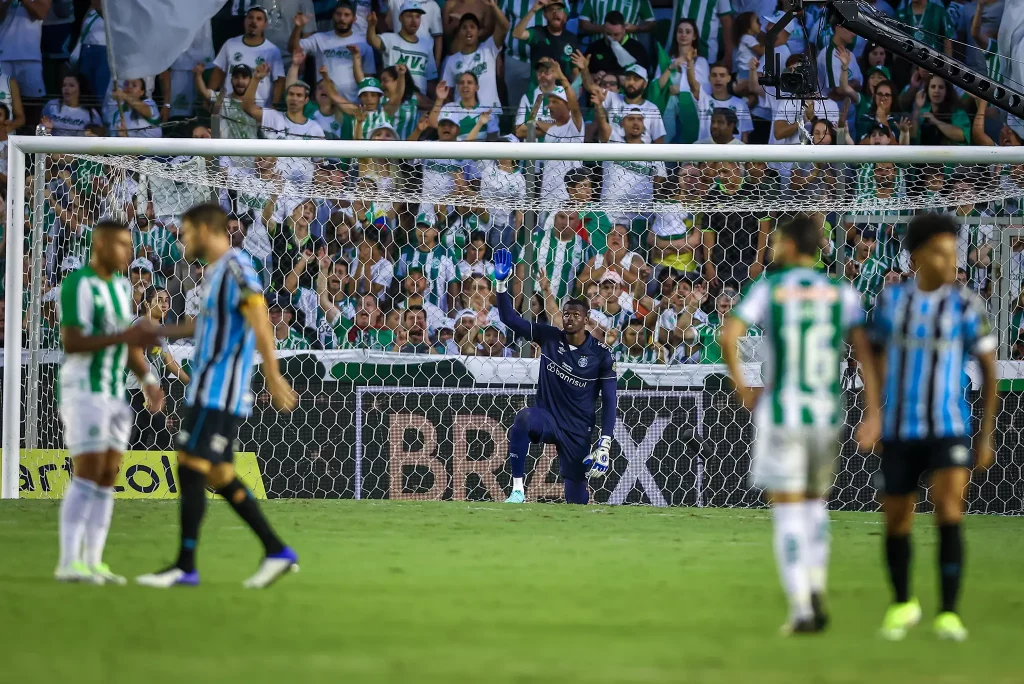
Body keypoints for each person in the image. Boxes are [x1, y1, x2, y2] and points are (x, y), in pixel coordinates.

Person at [720, 213, 881, 634]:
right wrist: (874, 412)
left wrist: (742, 388)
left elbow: (729, 332)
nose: (772, 245)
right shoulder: (840, 292)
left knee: (787, 509)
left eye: (776, 239)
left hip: (783, 412)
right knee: (815, 505)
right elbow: (864, 352)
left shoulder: (770, 288)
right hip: (827, 412)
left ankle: (801, 608)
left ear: (791, 245)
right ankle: (816, 585)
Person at [136, 203, 300, 590]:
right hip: (204, 387)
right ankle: (276, 551)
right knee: (218, 474)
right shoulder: (212, 274)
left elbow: (258, 315)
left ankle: (185, 565)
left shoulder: (235, 265)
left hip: (220, 390)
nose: (183, 239)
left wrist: (273, 375)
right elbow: (207, 325)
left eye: (188, 232)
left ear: (207, 230)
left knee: (190, 466)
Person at [868, 213, 997, 642]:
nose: (950, 261)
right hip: (902, 429)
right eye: (941, 253)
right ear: (919, 255)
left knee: (949, 509)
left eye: (953, 253)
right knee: (897, 518)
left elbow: (989, 370)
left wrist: (986, 435)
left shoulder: (966, 305)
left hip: (949, 426)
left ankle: (947, 612)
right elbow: (874, 355)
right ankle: (903, 603)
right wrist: (875, 411)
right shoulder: (891, 302)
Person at [55, 219, 165, 584]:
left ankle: (94, 562)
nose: (126, 252)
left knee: (107, 476)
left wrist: (148, 379)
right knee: (87, 472)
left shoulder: (121, 289)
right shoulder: (77, 284)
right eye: (120, 244)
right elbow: (72, 342)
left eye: (129, 245)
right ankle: (69, 561)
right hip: (83, 390)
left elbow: (130, 344)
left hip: (115, 393)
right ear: (100, 245)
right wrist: (116, 338)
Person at [493, 249, 617, 505]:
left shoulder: (602, 355)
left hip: (577, 429)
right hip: (547, 418)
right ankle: (517, 491)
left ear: (587, 318)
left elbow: (610, 400)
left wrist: (605, 442)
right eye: (566, 314)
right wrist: (502, 284)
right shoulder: (550, 337)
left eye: (576, 315)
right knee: (524, 418)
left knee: (577, 498)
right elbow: (508, 318)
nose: (570, 319)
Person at [242, 63, 326, 183]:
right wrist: (255, 79)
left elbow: (319, 164)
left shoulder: (315, 129)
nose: (294, 98)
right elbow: (247, 107)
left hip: (299, 190)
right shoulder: (273, 117)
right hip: (269, 184)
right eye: (291, 94)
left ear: (306, 100)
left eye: (299, 95)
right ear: (286, 97)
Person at [289, 1, 374, 102]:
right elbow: (294, 49)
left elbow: (368, 78)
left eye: (346, 15)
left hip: (352, 103)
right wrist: (298, 28)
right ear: (333, 16)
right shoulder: (320, 38)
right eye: (338, 14)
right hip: (325, 103)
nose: (342, 18)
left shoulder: (363, 44)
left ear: (354, 19)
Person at [210, 7, 286, 108]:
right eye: (250, 17)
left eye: (259, 19)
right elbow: (219, 72)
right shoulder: (230, 44)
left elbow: (279, 81)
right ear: (245, 21)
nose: (253, 21)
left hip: (259, 108)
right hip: (229, 107)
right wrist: (209, 98)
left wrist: (274, 105)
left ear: (265, 25)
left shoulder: (272, 50)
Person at [440, 3, 509, 107]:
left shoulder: (489, 48)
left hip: (490, 115)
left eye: (472, 27)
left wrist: (494, 6)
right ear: (459, 32)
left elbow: (505, 27)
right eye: (464, 27)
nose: (468, 30)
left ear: (478, 31)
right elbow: (447, 94)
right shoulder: (452, 61)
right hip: (463, 117)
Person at [368, 4, 439, 96]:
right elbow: (372, 41)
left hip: (419, 102)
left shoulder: (426, 44)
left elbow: (430, 79)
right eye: (409, 16)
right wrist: (371, 26)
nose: (414, 21)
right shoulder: (390, 38)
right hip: (395, 98)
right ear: (400, 18)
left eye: (417, 17)